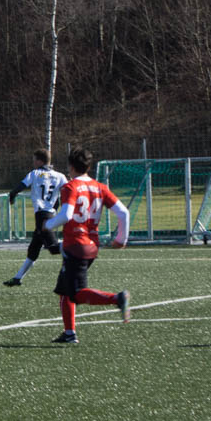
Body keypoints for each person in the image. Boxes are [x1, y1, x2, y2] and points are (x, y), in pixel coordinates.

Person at [44, 147, 131, 344]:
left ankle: (117, 299)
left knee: (76, 293)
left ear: (70, 166)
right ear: (89, 166)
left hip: (75, 246)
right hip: (91, 245)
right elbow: (123, 213)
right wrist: (121, 240)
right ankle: (69, 333)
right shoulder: (100, 187)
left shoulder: (70, 187)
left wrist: (48, 225)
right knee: (64, 290)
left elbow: (66, 215)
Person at [3, 148, 68, 287]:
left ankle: (77, 246)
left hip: (42, 216)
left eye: (34, 160)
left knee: (53, 248)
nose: (33, 162)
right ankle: (17, 278)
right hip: (50, 214)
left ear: (40, 161)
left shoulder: (35, 173)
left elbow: (20, 186)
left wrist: (12, 196)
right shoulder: (60, 176)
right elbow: (64, 194)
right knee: (33, 250)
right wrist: (56, 209)